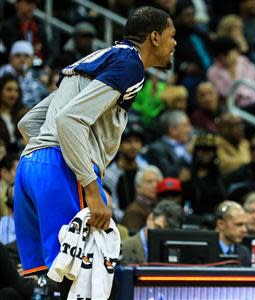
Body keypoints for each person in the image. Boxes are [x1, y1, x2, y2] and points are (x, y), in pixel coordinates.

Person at [13, 6, 176, 298]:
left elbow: (28, 122)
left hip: (29, 166)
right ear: (154, 37)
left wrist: (44, 158)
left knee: (43, 281)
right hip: (62, 167)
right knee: (80, 279)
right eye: (171, 35)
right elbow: (69, 120)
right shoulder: (130, 65)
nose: (174, 43)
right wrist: (88, 183)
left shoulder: (97, 60)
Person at [121, 199, 183, 265]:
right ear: (150, 219)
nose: (164, 236)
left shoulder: (177, 250)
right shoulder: (125, 248)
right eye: (159, 228)